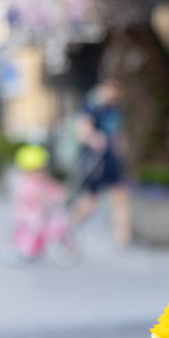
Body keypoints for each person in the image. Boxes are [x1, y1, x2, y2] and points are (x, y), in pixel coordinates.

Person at [71, 79, 132, 247]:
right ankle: (70, 225)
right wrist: (95, 138)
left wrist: (122, 149)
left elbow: (118, 132)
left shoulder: (115, 108)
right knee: (92, 201)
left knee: (121, 195)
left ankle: (122, 238)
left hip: (112, 158)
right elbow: (82, 131)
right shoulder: (91, 106)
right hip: (95, 160)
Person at [6, 144, 69, 262]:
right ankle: (26, 248)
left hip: (43, 212)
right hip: (28, 215)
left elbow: (53, 188)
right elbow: (27, 197)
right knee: (36, 225)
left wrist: (59, 193)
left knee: (56, 220)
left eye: (40, 170)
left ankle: (56, 243)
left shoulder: (43, 181)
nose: (39, 173)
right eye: (35, 170)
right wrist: (41, 200)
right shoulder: (25, 184)